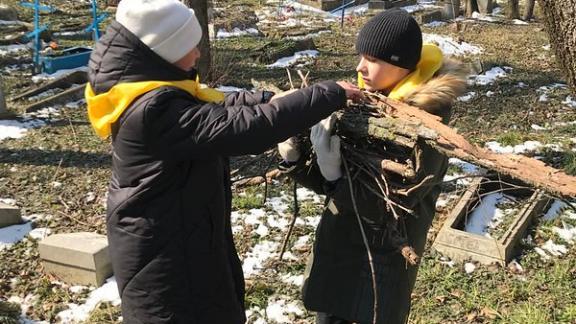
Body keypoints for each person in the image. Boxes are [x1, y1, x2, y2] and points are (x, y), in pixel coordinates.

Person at [84, 0, 363, 323]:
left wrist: (268, 99)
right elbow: (245, 128)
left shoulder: (150, 91)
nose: (199, 53)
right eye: (190, 46)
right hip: (164, 267)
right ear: (165, 52)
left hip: (180, 243)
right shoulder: (153, 112)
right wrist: (327, 95)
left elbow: (215, 102)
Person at [277, 9, 467, 324]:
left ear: (402, 66)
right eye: (360, 56)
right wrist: (296, 160)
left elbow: (392, 205)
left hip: (377, 273)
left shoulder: (427, 130)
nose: (360, 67)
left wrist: (336, 176)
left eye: (373, 60)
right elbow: (330, 188)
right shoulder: (367, 104)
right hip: (338, 255)